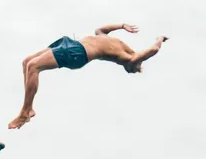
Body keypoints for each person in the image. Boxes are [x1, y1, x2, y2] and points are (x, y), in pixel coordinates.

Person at [9, 23, 169, 129]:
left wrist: (159, 38)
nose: (134, 69)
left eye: (133, 69)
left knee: (33, 66)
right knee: (27, 62)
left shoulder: (130, 59)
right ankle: (28, 108)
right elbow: (100, 30)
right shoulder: (112, 41)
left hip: (78, 53)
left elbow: (153, 50)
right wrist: (122, 26)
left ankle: (25, 111)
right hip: (71, 43)